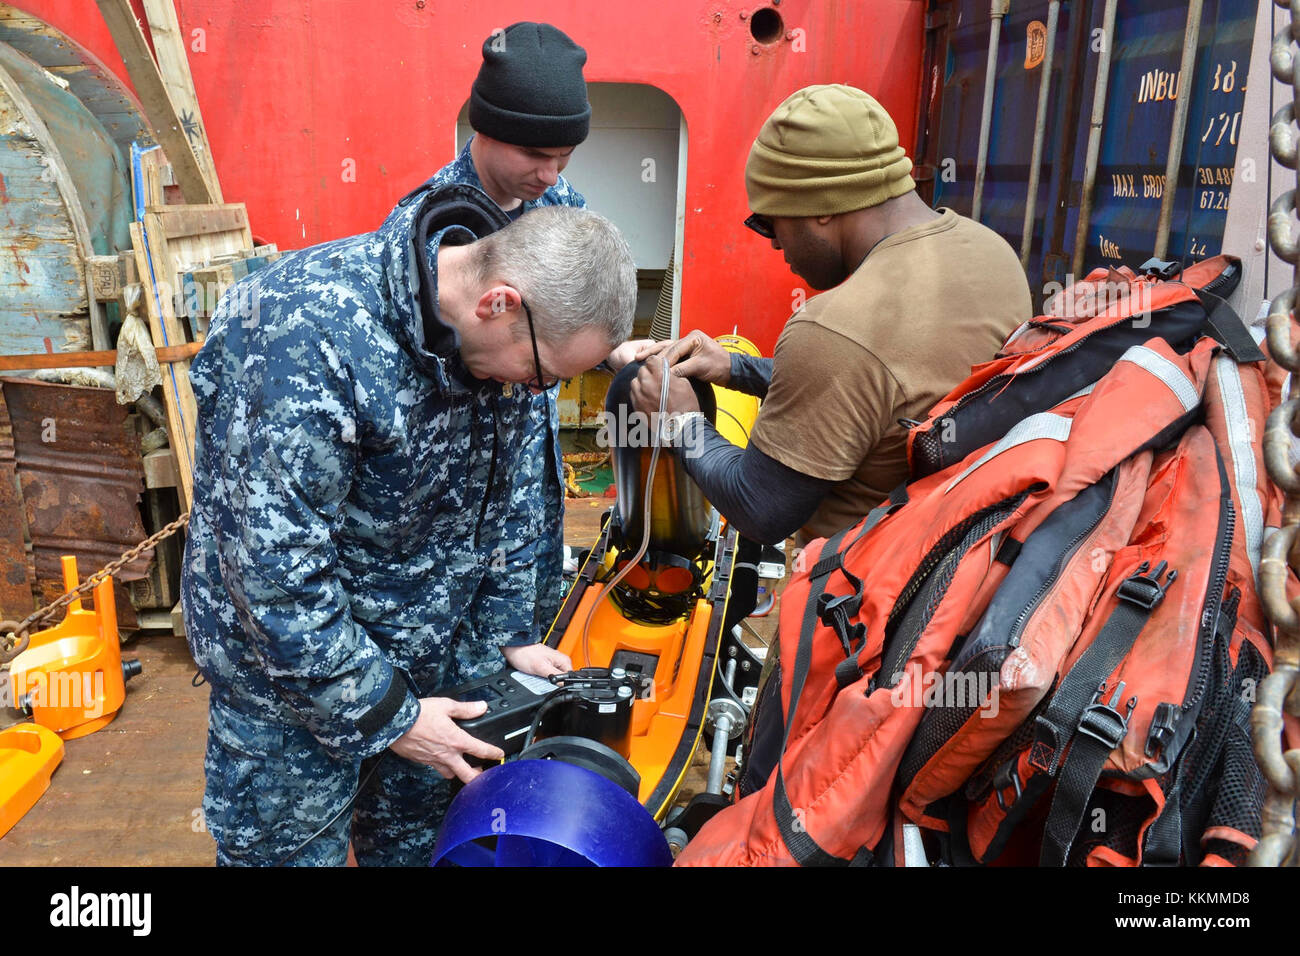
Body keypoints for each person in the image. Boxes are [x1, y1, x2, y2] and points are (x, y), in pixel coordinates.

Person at [182, 182, 637, 866]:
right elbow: (272, 577)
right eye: (543, 375)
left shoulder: (503, 349)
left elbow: (505, 503)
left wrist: (503, 637)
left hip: (434, 686)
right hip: (292, 707)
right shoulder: (300, 328)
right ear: (498, 303)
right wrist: (389, 714)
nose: (536, 391)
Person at [627, 84, 1033, 547]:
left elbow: (760, 510)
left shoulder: (835, 326)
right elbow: (883, 392)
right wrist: (735, 368)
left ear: (819, 207)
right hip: (961, 560)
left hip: (855, 600)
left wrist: (681, 420)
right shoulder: (990, 251)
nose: (776, 244)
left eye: (770, 223)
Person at [425, 21, 591, 648]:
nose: (550, 174)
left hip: (535, 481)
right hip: (457, 503)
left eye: (563, 158)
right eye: (535, 156)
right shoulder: (432, 231)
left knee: (535, 638)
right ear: (485, 129)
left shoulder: (562, 203)